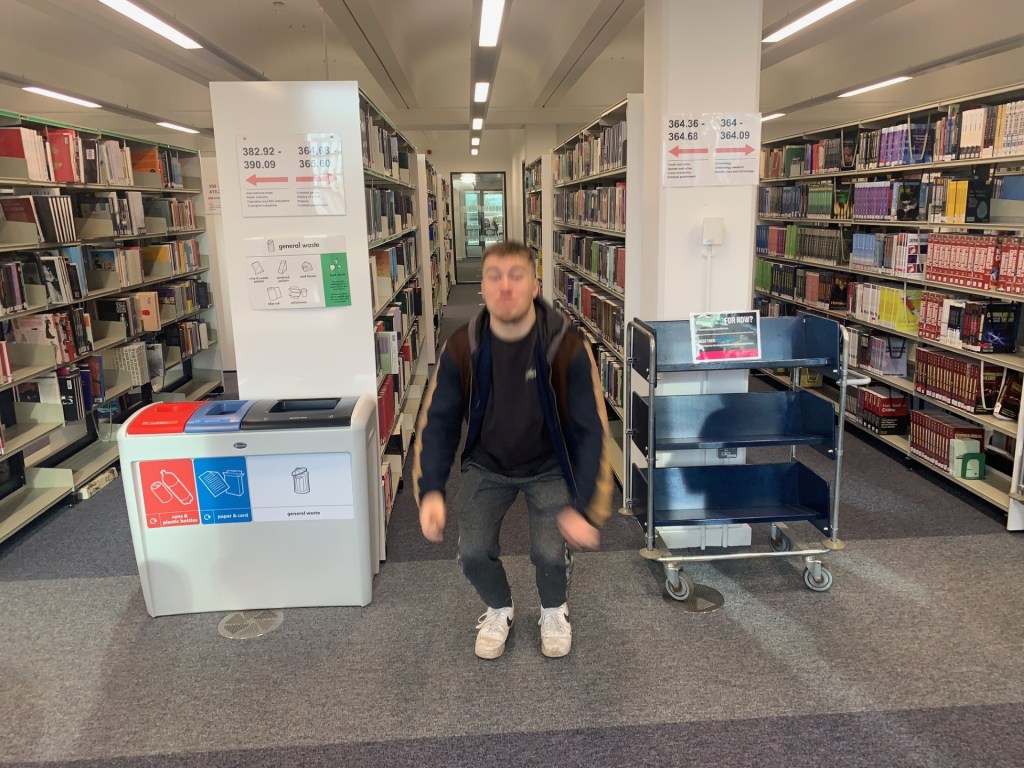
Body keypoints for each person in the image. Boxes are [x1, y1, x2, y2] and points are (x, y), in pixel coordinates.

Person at [413, 240, 613, 660]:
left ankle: (554, 609)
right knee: (471, 552)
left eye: (516, 276)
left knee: (548, 553)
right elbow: (439, 422)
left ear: (535, 287)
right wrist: (431, 488)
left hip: (548, 466)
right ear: (482, 288)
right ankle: (500, 607)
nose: (505, 287)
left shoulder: (567, 346)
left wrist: (585, 506)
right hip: (489, 465)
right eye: (494, 276)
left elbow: (590, 428)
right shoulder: (461, 347)